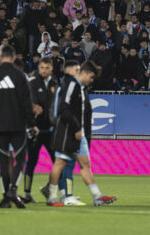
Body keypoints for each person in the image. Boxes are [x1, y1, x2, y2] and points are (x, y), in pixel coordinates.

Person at [45, 60, 116, 207]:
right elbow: (64, 108)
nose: (91, 81)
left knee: (85, 165)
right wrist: (77, 128)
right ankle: (51, 197)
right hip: (68, 131)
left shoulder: (82, 88)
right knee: (60, 163)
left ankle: (97, 196)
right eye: (91, 77)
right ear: (84, 73)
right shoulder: (72, 85)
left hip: (80, 134)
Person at [0, 45, 34, 208]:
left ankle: (6, 198)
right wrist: (31, 124)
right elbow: (27, 103)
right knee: (20, 158)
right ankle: (13, 189)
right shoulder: (20, 76)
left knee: (3, 162)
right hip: (17, 125)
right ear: (12, 58)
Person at [23, 57, 58, 203]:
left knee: (58, 163)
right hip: (35, 130)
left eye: (47, 67)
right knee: (31, 162)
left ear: (51, 68)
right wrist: (32, 107)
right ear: (38, 68)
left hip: (50, 130)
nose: (44, 70)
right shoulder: (32, 82)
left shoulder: (55, 84)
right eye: (42, 67)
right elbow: (26, 102)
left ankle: (49, 188)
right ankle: (27, 194)